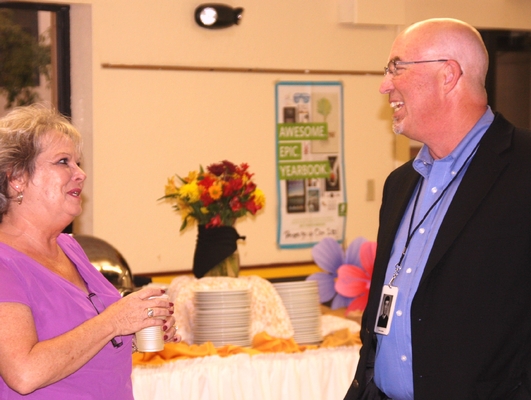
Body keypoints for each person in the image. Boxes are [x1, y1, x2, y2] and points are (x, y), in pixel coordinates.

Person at [344, 18, 531, 400]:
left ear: (448, 75)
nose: (384, 85)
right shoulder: (400, 184)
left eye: (397, 67)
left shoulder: (523, 169)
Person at [0, 104, 180, 399]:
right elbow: (24, 373)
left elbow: (83, 345)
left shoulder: (70, 248)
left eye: (78, 163)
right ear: (17, 178)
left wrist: (134, 330)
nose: (80, 174)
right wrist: (114, 322)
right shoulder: (4, 262)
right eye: (63, 162)